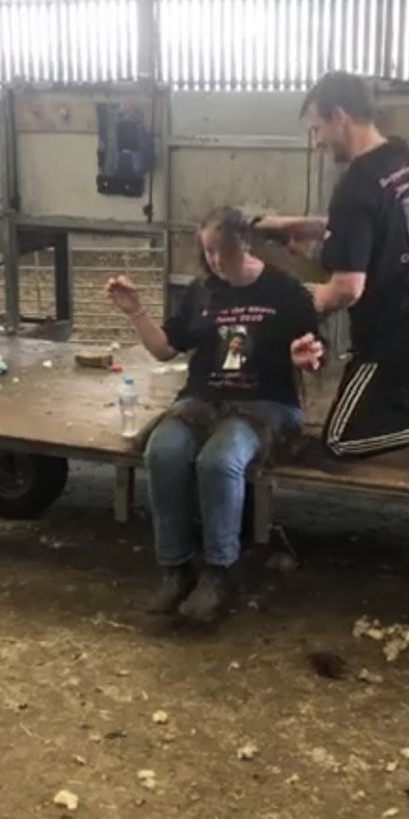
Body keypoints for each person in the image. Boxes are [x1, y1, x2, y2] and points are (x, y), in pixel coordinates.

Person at [258, 71, 409, 475]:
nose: (319, 141)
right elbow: (368, 223)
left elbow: (346, 290)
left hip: (398, 331)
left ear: (339, 116)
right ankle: (394, 411)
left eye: (318, 128)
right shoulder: (404, 156)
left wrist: (290, 304)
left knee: (341, 440)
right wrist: (296, 225)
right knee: (377, 405)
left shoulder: (355, 185)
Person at [106, 206, 320, 626]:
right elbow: (166, 349)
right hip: (204, 399)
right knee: (163, 451)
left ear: (246, 243)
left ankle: (220, 571)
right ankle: (175, 567)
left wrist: (304, 358)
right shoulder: (202, 291)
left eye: (226, 251)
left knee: (219, 460)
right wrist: (135, 312)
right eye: (209, 252)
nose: (218, 262)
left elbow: (313, 351)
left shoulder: (286, 292)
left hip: (267, 403)